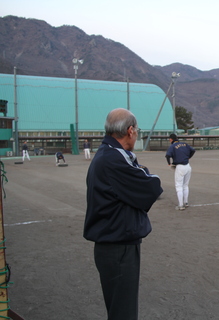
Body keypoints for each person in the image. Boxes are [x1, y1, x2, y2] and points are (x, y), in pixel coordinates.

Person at [84, 108, 163, 320]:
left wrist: (143, 173)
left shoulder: (109, 155)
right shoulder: (114, 158)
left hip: (114, 243)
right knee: (123, 312)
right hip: (118, 246)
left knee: (119, 308)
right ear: (130, 131)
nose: (137, 134)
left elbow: (140, 175)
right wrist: (148, 175)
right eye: (137, 130)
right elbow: (151, 186)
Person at [165, 133, 196, 211]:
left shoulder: (172, 146)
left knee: (179, 186)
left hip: (180, 167)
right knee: (185, 185)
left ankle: (181, 205)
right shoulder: (184, 144)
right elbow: (193, 150)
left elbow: (167, 155)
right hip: (188, 166)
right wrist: (189, 157)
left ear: (171, 139)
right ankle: (186, 202)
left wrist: (169, 163)